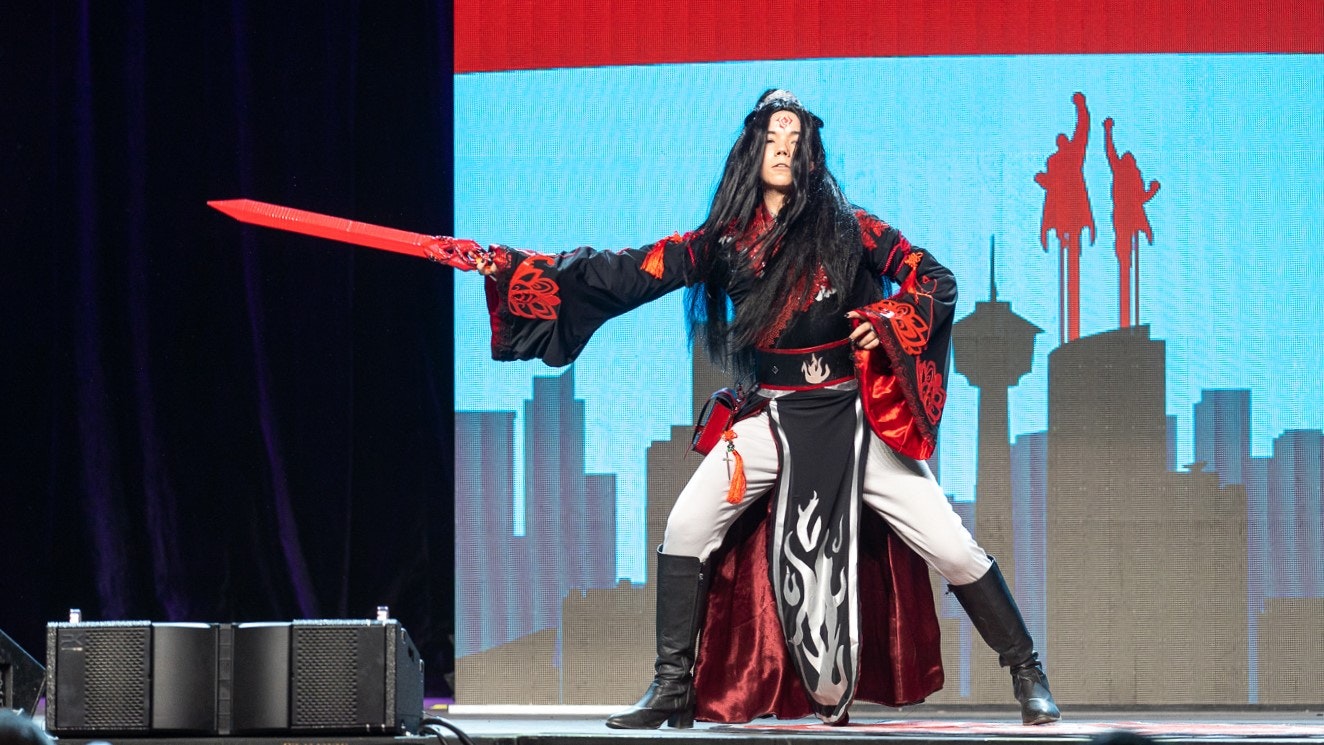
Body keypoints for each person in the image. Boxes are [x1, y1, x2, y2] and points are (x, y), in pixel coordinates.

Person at [429, 89, 1060, 727]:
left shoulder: (855, 229)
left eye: (795, 141)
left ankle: (1027, 671)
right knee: (686, 528)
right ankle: (672, 687)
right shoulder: (723, 240)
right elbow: (627, 272)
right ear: (752, 151)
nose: (783, 150)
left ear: (811, 156)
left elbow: (933, 278)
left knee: (951, 547)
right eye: (772, 139)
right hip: (771, 419)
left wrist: (893, 317)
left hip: (853, 421)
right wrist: (515, 267)